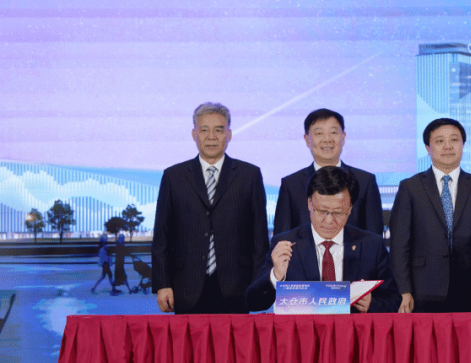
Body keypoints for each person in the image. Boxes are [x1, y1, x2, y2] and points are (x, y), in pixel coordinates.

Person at [152, 102, 269, 314]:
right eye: (204, 130)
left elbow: (259, 238)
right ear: (194, 134)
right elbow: (162, 236)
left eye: (219, 130)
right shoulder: (174, 177)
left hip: (238, 287)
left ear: (229, 134)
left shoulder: (249, 175)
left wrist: (258, 285)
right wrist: (162, 284)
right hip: (186, 287)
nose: (211, 137)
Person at [246, 166, 400, 313]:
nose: (329, 221)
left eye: (338, 213)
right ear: (309, 204)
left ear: (350, 209)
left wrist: (371, 303)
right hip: (303, 331)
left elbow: (394, 301)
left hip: (352, 330)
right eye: (322, 211)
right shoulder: (285, 243)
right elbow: (253, 302)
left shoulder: (371, 245)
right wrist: (275, 276)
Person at [389, 118, 471, 313]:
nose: (448, 146)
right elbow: (399, 245)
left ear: (463, 145)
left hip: (470, 290)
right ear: (428, 148)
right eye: (440, 141)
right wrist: (403, 290)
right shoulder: (410, 187)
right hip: (421, 290)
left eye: (454, 140)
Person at [273, 108, 383, 236]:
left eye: (333, 132)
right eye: (319, 133)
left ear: (343, 137)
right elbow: (282, 237)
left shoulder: (365, 181)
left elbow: (374, 237)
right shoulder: (291, 184)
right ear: (307, 140)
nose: (327, 139)